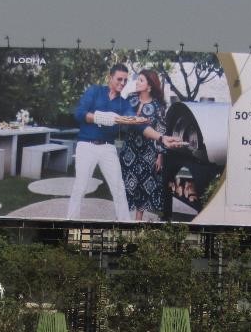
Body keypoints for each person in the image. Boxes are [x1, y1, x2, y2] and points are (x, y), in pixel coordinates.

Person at [66, 63, 133, 221]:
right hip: (86, 146)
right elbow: (79, 114)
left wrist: (134, 119)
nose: (122, 83)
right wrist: (105, 117)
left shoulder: (123, 103)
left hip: (108, 148)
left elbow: (130, 116)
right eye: (119, 79)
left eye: (125, 80)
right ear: (110, 77)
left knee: (118, 187)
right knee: (79, 187)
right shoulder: (94, 91)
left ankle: (126, 225)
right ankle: (69, 223)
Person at [120, 69, 181, 221]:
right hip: (129, 149)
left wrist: (160, 157)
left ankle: (137, 221)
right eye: (137, 79)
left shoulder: (158, 106)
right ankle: (122, 216)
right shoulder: (130, 98)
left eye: (141, 80)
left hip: (148, 152)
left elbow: (160, 130)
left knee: (141, 186)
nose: (137, 82)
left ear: (149, 86)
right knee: (126, 183)